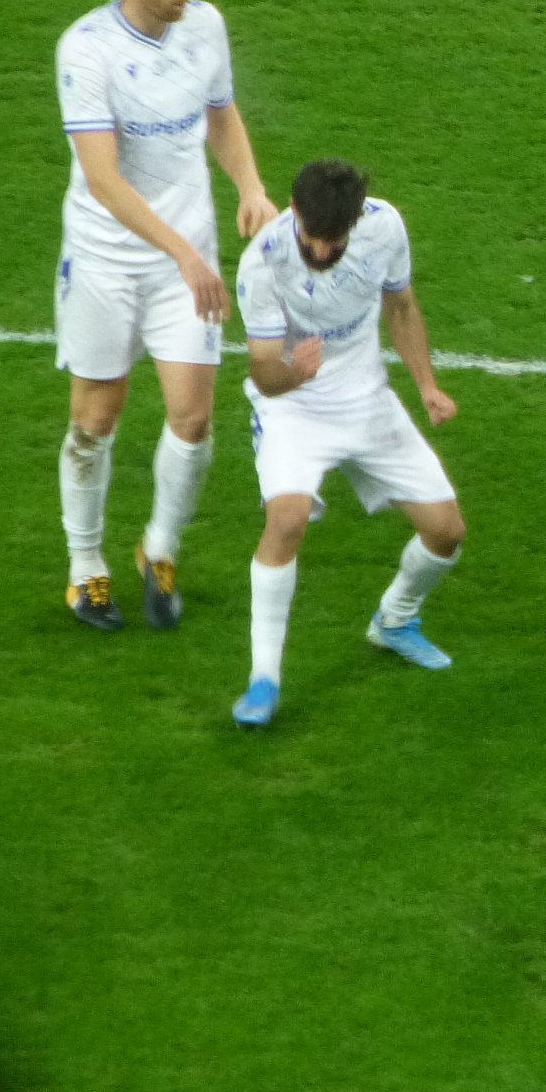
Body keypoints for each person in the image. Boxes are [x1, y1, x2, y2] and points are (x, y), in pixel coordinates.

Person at [53, 0, 276, 631]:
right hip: (106, 261)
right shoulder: (86, 50)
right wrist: (183, 252)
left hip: (187, 262)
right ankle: (86, 568)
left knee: (193, 415)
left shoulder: (204, 26)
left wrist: (250, 187)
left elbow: (221, 112)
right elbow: (104, 178)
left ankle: (160, 548)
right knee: (97, 416)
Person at [230, 160, 463, 728]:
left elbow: (401, 307)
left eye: (335, 241)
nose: (323, 251)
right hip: (293, 407)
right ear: (295, 211)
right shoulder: (262, 263)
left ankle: (395, 620)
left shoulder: (385, 228)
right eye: (314, 238)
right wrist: (297, 373)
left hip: (367, 401)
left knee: (446, 533)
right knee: (287, 521)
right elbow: (264, 374)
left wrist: (427, 386)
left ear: (355, 223)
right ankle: (263, 680)